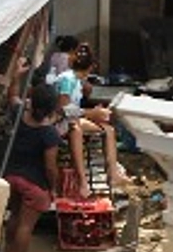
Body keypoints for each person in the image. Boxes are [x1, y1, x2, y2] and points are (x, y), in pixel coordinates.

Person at [2, 83, 63, 252]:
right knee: (26, 226)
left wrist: (17, 75)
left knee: (13, 216)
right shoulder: (49, 134)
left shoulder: (19, 114)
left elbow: (12, 95)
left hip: (11, 177)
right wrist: (53, 188)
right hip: (34, 184)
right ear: (52, 108)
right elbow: (51, 168)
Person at [53, 51, 129, 193]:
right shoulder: (67, 80)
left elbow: (74, 109)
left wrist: (93, 113)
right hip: (59, 122)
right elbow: (63, 109)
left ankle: (113, 173)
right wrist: (90, 113)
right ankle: (82, 181)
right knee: (76, 129)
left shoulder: (75, 80)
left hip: (71, 119)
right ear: (91, 67)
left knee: (108, 129)